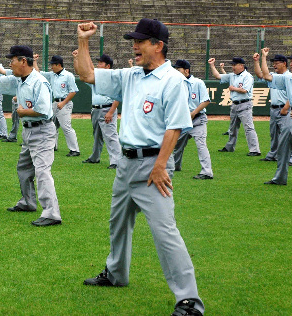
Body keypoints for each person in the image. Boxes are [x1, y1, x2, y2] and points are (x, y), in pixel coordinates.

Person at [76, 19, 204, 315]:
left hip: (153, 166)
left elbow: (175, 128)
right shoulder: (131, 75)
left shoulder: (173, 80)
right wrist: (83, 41)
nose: (134, 45)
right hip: (126, 163)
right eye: (133, 40)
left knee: (164, 232)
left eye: (141, 41)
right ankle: (116, 274)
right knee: (118, 224)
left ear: (158, 45)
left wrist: (160, 167)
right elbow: (87, 75)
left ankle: (189, 301)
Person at [0, 45, 62, 226]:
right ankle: (28, 202)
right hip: (29, 131)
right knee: (23, 168)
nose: (10, 64)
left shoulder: (39, 82)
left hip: (43, 130)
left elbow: (43, 110)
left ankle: (52, 213)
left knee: (42, 172)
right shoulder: (19, 80)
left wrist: (23, 112)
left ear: (23, 61)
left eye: (12, 60)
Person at [260, 48, 292, 185]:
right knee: (282, 148)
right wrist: (264, 57)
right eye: (291, 61)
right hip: (291, 116)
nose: (291, 64)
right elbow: (266, 76)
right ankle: (280, 178)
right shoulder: (289, 78)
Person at [74, 52, 121, 169]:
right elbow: (81, 74)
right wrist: (76, 58)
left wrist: (111, 112)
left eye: (101, 63)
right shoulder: (97, 78)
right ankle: (95, 157)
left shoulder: (113, 78)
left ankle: (116, 161)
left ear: (108, 66)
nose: (98, 65)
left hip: (107, 109)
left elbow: (118, 96)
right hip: (95, 110)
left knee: (111, 136)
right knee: (97, 136)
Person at [208, 56, 261, 156]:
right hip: (235, 104)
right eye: (232, 65)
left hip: (245, 104)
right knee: (232, 128)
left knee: (249, 128)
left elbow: (245, 90)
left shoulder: (247, 76)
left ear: (241, 65)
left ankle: (255, 150)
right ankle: (230, 146)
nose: (233, 67)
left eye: (234, 65)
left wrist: (234, 88)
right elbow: (218, 76)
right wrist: (212, 65)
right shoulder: (232, 75)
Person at [253, 53, 292, 165]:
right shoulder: (275, 76)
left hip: (286, 109)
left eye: (276, 63)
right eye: (273, 63)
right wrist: (257, 61)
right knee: (274, 134)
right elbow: (261, 74)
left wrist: (286, 107)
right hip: (274, 109)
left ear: (284, 63)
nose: (274, 65)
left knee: (290, 134)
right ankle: (273, 154)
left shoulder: (290, 76)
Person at [172, 59, 214, 179]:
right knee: (177, 145)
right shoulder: (176, 83)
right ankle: (175, 166)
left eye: (178, 70)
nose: (176, 72)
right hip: (182, 121)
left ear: (186, 70)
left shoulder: (198, 82)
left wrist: (194, 112)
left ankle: (207, 172)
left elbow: (206, 101)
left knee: (201, 145)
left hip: (198, 120)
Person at [34, 55, 80, 157]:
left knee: (66, 127)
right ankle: (53, 146)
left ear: (58, 64)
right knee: (52, 126)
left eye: (53, 65)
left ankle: (75, 150)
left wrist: (63, 103)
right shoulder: (52, 75)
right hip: (55, 103)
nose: (51, 67)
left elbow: (73, 91)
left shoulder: (68, 75)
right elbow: (38, 73)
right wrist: (34, 61)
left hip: (65, 103)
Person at [0, 55, 20, 143]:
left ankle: (27, 139)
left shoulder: (31, 76)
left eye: (12, 62)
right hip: (16, 100)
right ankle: (13, 136)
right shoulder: (14, 73)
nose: (10, 65)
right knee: (15, 120)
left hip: (23, 100)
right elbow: (2, 71)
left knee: (28, 121)